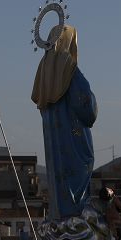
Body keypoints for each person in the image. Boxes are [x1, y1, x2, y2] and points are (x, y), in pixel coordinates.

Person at [31, 24, 98, 217]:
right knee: (78, 176)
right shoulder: (69, 68)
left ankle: (60, 215)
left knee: (58, 176)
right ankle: (75, 217)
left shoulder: (44, 70)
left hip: (54, 136)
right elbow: (86, 107)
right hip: (74, 137)